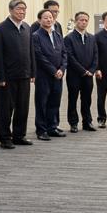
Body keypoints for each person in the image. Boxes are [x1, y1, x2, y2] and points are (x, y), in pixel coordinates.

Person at [0, 0, 36, 149]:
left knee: (23, 108)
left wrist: (33, 72)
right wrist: (0, 77)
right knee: (6, 109)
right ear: (10, 10)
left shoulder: (27, 28)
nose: (22, 11)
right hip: (8, 77)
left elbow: (31, 52)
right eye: (19, 9)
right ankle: (5, 138)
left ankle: (19, 135)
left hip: (25, 75)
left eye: (24, 9)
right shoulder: (0, 29)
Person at [33, 9, 67, 141]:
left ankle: (52, 127)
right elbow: (39, 56)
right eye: (45, 17)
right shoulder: (36, 36)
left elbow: (64, 53)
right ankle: (41, 130)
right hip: (43, 75)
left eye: (51, 17)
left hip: (58, 75)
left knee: (54, 102)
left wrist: (62, 69)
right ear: (39, 20)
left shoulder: (57, 35)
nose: (49, 19)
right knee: (42, 103)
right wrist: (53, 71)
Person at [64, 12, 98, 132]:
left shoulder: (92, 38)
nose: (84, 22)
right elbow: (70, 57)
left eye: (86, 20)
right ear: (76, 21)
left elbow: (95, 55)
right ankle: (73, 123)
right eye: (81, 20)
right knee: (73, 99)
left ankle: (87, 122)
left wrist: (92, 70)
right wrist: (83, 71)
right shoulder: (68, 38)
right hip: (74, 75)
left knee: (87, 99)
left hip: (88, 75)